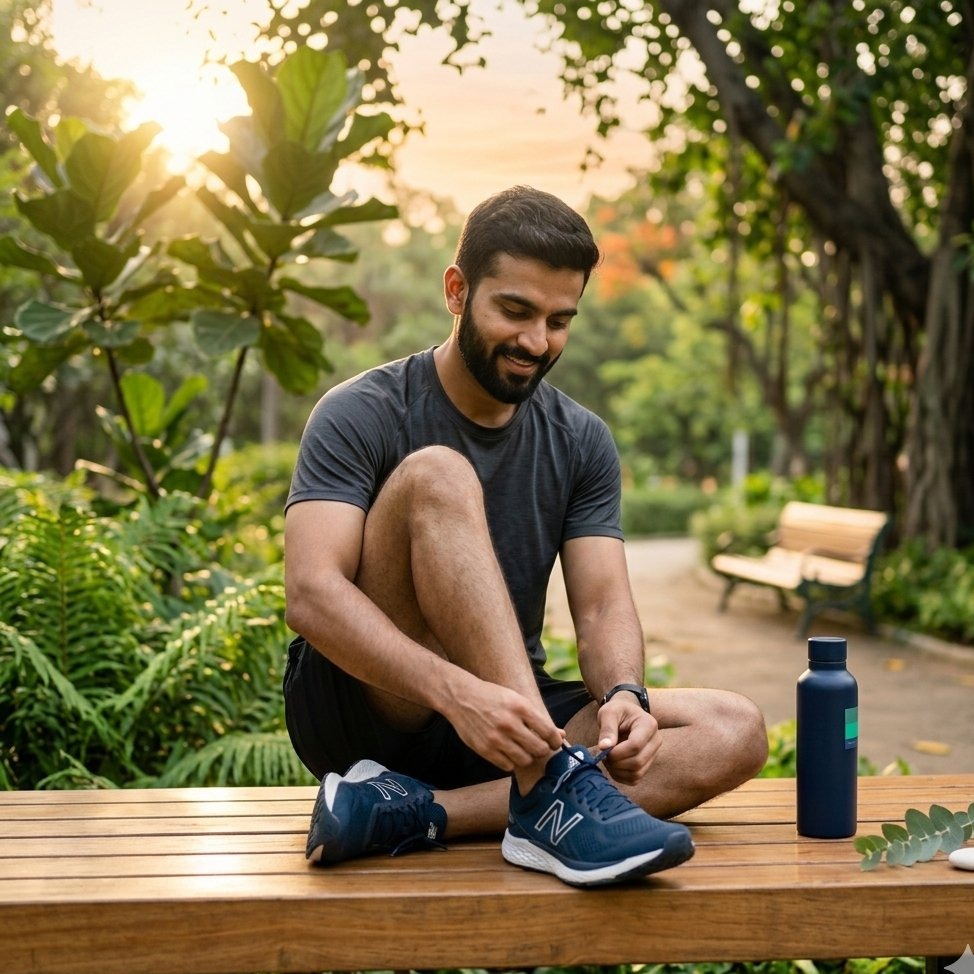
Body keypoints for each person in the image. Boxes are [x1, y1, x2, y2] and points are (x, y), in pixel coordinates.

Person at [283, 185, 768, 887]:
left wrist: (626, 697)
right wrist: (459, 694)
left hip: (508, 721)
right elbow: (312, 596)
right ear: (457, 290)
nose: (537, 342)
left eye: (559, 320)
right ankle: (547, 789)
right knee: (438, 477)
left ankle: (422, 813)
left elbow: (601, 605)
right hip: (369, 705)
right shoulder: (361, 411)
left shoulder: (582, 440)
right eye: (515, 310)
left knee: (735, 727)